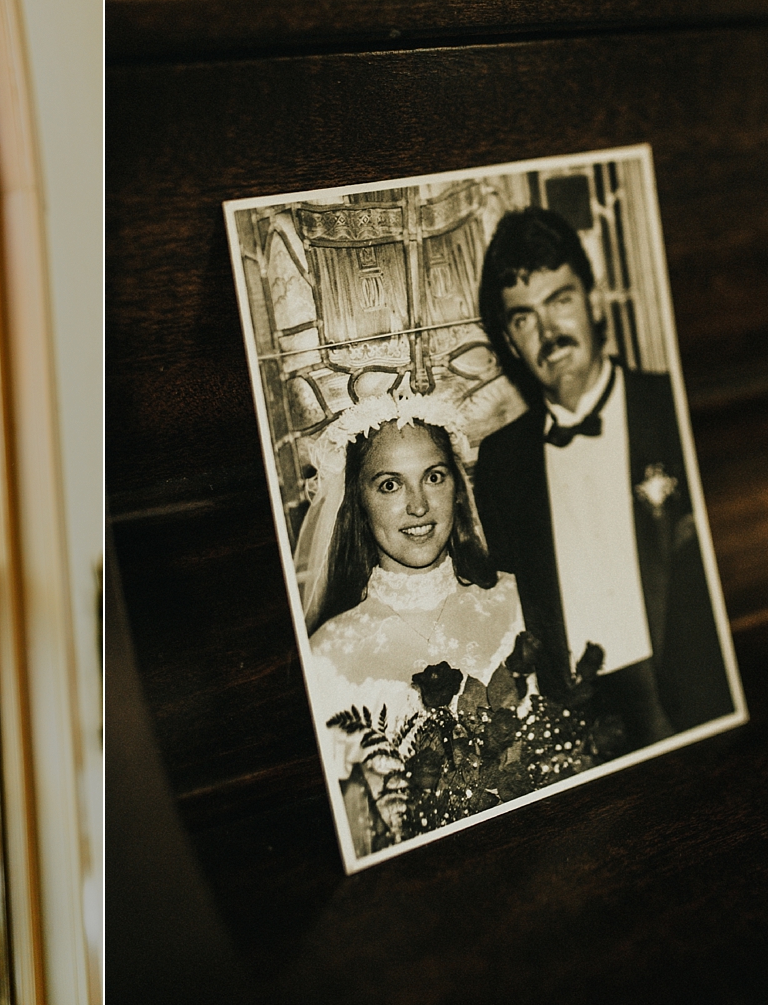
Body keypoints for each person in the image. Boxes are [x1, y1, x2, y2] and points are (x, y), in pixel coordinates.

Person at [473, 207, 735, 750]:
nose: (548, 332)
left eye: (560, 300)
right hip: (582, 741)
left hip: (706, 710)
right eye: (523, 318)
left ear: (593, 302)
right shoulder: (501, 464)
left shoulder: (672, 407)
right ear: (509, 339)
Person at [295, 400, 521, 855]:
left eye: (434, 477)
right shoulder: (326, 656)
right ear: (357, 499)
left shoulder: (516, 602)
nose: (418, 506)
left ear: (457, 487)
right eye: (390, 485)